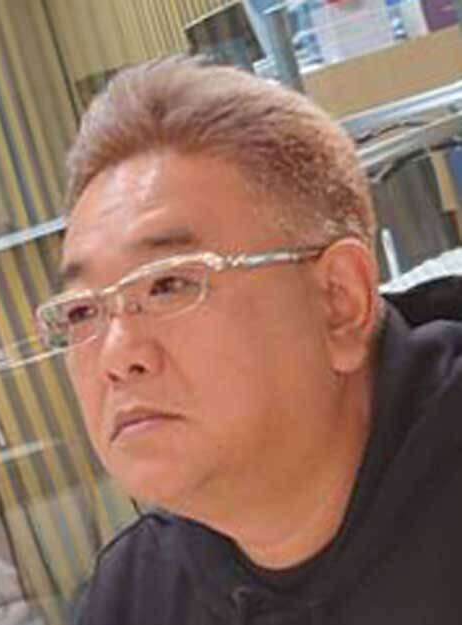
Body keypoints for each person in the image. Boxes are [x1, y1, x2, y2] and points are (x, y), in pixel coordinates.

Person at [36, 56, 462, 624]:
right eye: (82, 311)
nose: (116, 356)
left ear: (339, 302)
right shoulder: (136, 597)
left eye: (169, 284)